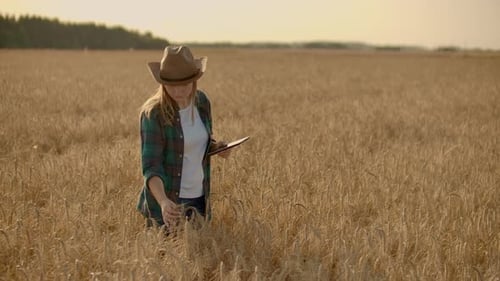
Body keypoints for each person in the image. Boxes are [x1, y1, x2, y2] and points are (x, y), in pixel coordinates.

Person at [137, 45, 229, 230]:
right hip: (171, 204)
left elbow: (195, 142)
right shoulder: (154, 114)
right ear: (163, 83)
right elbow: (151, 166)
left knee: (202, 255)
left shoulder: (202, 102)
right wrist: (163, 202)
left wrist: (217, 148)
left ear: (194, 81)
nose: (178, 91)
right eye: (172, 85)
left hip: (200, 199)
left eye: (184, 85)